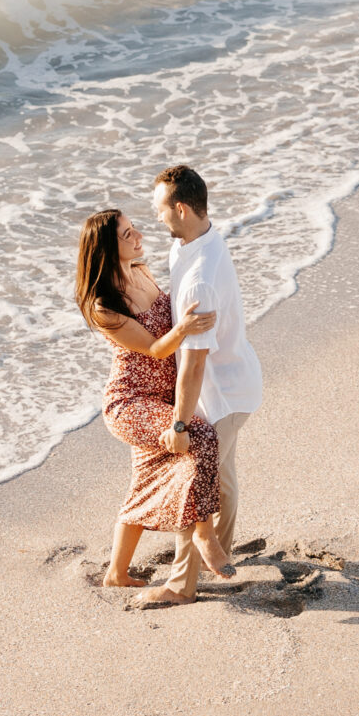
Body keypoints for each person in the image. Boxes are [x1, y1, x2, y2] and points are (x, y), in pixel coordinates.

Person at [73, 207, 220, 604]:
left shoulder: (141, 270)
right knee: (201, 435)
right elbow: (156, 349)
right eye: (126, 235)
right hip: (132, 402)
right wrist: (185, 329)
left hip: (163, 397)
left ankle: (116, 574)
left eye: (134, 229)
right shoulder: (104, 305)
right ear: (105, 248)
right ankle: (204, 531)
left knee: (142, 486)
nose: (137, 237)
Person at [154, 162, 262, 587]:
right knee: (224, 481)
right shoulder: (196, 243)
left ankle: (182, 584)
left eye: (160, 208)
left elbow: (195, 363)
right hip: (236, 383)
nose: (156, 216)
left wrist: (179, 424)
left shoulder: (200, 279)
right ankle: (221, 559)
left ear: (181, 209)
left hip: (223, 397)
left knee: (191, 485)